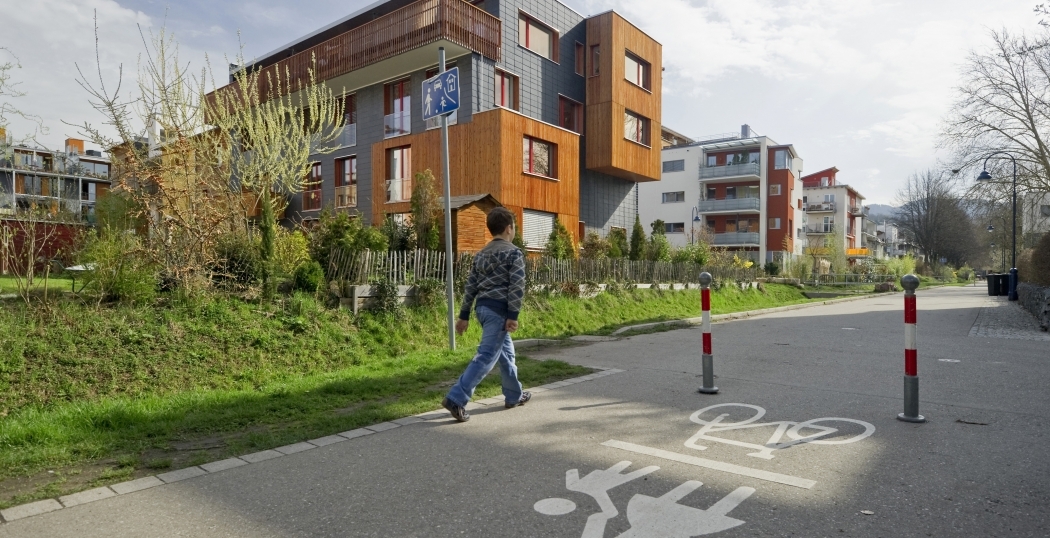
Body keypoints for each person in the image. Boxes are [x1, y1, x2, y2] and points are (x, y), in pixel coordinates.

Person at [441, 207, 531, 422]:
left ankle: (513, 395)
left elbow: (470, 286)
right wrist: (513, 315)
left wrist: (464, 315)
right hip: (500, 311)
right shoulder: (513, 253)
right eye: (514, 227)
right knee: (487, 356)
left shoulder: (481, 254)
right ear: (509, 228)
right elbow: (517, 286)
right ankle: (456, 398)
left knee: (507, 355)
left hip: (482, 309)